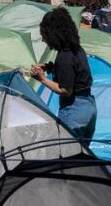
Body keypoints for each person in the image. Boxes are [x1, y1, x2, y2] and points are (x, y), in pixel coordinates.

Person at [31, 8, 96, 140]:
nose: (43, 39)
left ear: (53, 34)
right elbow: (74, 72)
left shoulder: (64, 56)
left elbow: (65, 90)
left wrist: (41, 78)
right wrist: (50, 67)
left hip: (74, 110)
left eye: (44, 35)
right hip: (89, 107)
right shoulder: (77, 49)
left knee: (69, 155)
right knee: (82, 157)